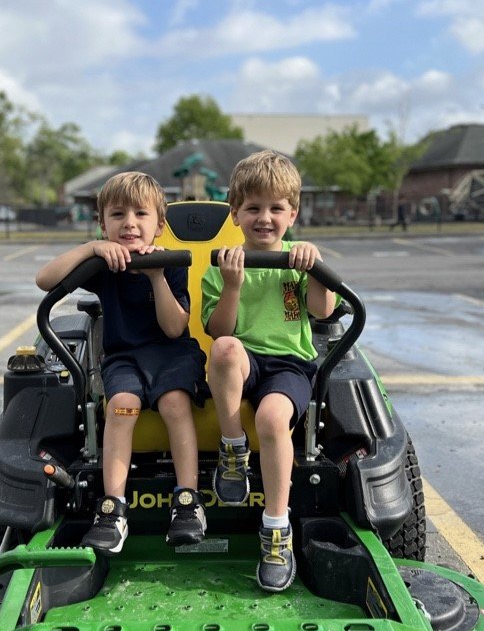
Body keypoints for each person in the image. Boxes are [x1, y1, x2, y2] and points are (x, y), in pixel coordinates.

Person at [36, 171, 208, 555]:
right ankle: (113, 509)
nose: (129, 223)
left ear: (159, 225)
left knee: (174, 402)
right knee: (121, 406)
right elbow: (44, 280)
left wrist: (156, 277)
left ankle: (188, 502)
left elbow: (174, 327)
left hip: (172, 353)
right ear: (103, 223)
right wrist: (91, 250)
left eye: (140, 214)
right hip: (124, 357)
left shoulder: (171, 262)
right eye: (117, 215)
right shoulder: (105, 266)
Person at [201, 151, 336, 592]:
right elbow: (220, 329)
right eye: (254, 208)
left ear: (292, 213)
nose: (265, 218)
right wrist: (234, 285)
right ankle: (233, 450)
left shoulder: (298, 262)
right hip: (242, 359)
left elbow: (322, 310)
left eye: (276, 208)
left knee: (273, 418)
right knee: (222, 348)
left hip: (289, 364)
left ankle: (277, 530)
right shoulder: (223, 265)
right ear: (235, 213)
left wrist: (315, 270)